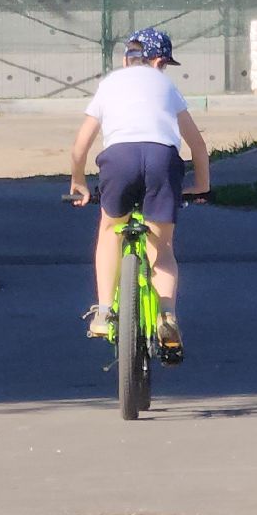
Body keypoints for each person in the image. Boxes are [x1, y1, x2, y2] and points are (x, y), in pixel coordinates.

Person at [68, 27, 210, 359]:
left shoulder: (109, 84)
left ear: (125, 57)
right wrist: (201, 186)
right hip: (162, 158)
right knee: (161, 248)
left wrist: (78, 182)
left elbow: (80, 146)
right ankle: (167, 316)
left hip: (118, 159)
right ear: (159, 61)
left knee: (108, 230)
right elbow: (198, 146)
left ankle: (104, 312)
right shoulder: (166, 85)